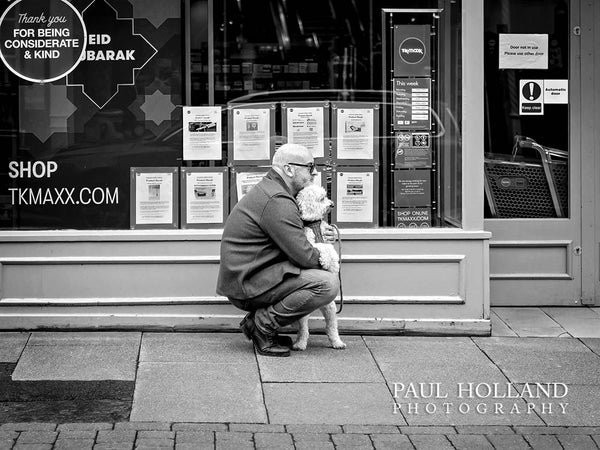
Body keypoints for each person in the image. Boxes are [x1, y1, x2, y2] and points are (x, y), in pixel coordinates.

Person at [216, 143, 339, 357]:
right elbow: (305, 256)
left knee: (322, 279)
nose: (315, 172)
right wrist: (326, 253)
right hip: (248, 285)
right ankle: (262, 325)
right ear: (289, 169)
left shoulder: (274, 191)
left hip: (252, 277)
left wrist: (320, 234)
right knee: (326, 284)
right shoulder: (277, 200)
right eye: (310, 167)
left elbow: (293, 237)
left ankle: (261, 322)